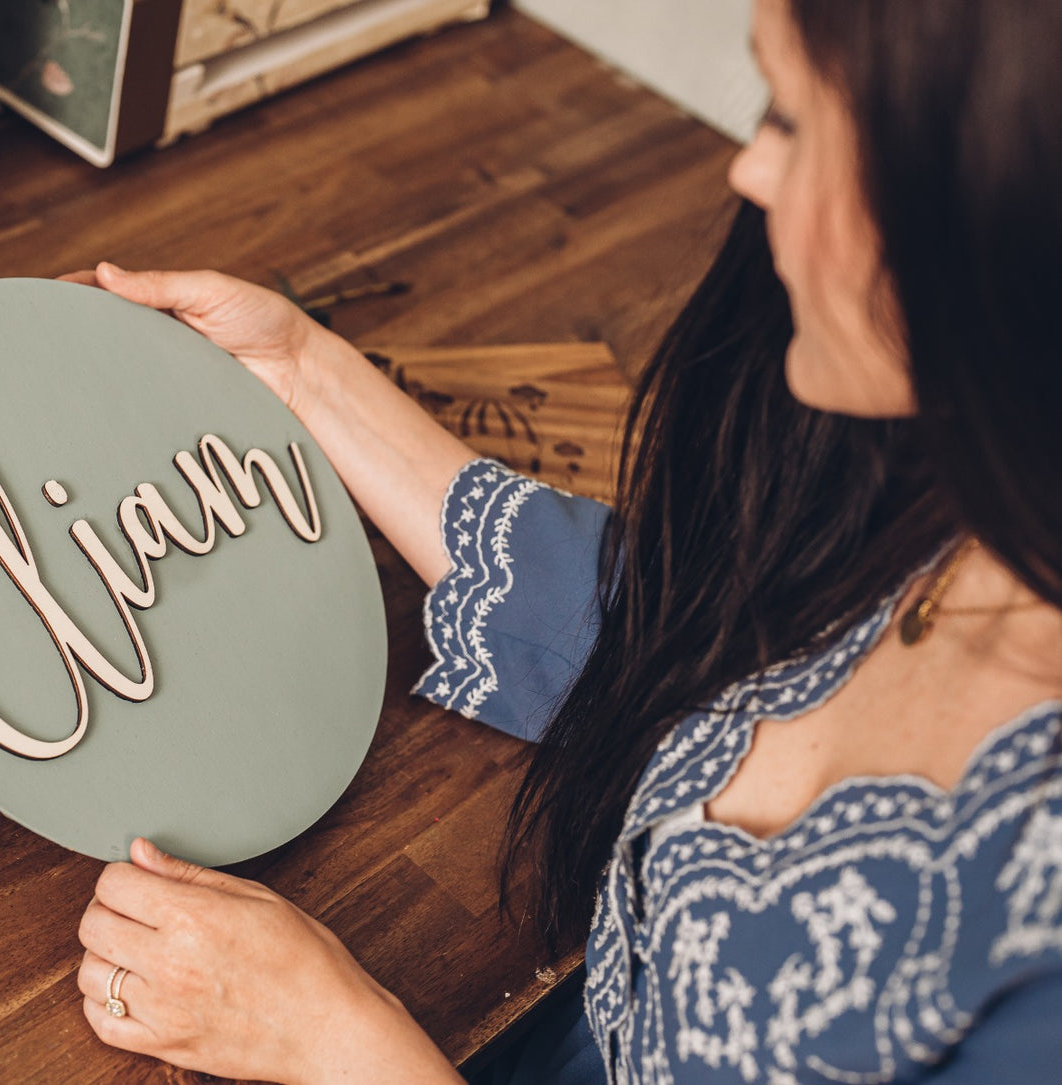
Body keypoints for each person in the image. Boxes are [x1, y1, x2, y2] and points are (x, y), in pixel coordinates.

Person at [64, 0, 1062, 1079]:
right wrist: (301, 371)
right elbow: (701, 627)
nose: (748, 173)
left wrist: (332, 1039)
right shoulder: (956, 498)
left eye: (789, 120)